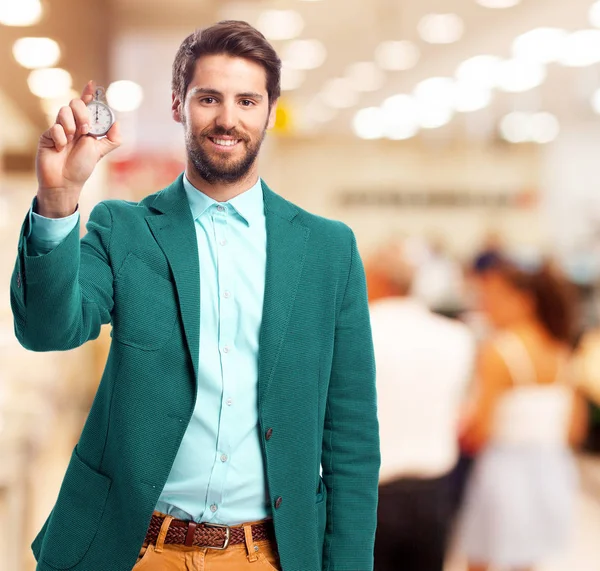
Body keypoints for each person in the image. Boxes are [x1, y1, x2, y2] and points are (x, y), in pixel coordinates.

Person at [9, 21, 379, 571]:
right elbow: (46, 329)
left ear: (270, 111)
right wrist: (59, 199)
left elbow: (349, 436)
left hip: (267, 555)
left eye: (247, 100)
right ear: (179, 105)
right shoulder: (125, 229)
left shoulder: (329, 252)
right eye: (209, 98)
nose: (228, 119)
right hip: (134, 549)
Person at [458, 254, 588, 571]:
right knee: (526, 560)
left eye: (493, 297)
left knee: (481, 556)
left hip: (504, 470)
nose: (485, 305)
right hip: (553, 468)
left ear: (523, 300)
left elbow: (481, 429)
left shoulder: (500, 351)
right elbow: (574, 429)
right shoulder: (560, 349)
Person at [369, 241, 475, 571]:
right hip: (435, 489)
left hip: (370, 491)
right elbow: (464, 411)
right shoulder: (457, 335)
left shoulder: (354, 331)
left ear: (378, 281)